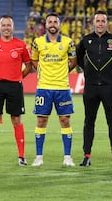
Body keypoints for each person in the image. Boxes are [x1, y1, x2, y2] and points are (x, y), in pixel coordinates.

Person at [76, 10, 112, 166]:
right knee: (89, 121)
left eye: (103, 21)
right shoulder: (86, 40)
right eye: (98, 21)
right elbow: (79, 57)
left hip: (109, 87)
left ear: (107, 23)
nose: (101, 24)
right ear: (93, 23)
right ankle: (87, 156)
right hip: (90, 88)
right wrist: (87, 71)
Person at [0, 15, 32, 166]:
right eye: (3, 25)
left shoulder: (21, 45)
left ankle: (22, 156)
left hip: (14, 86)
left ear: (13, 27)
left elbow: (29, 64)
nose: (6, 28)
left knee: (16, 119)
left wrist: (18, 76)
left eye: (8, 25)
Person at [30, 13, 77, 167]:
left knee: (65, 120)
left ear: (59, 24)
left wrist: (63, 72)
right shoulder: (37, 42)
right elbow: (34, 60)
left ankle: (68, 157)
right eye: (49, 22)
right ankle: (38, 157)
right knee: (41, 121)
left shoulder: (68, 42)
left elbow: (73, 60)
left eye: (55, 22)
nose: (52, 24)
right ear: (45, 24)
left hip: (62, 88)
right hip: (43, 87)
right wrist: (43, 72)